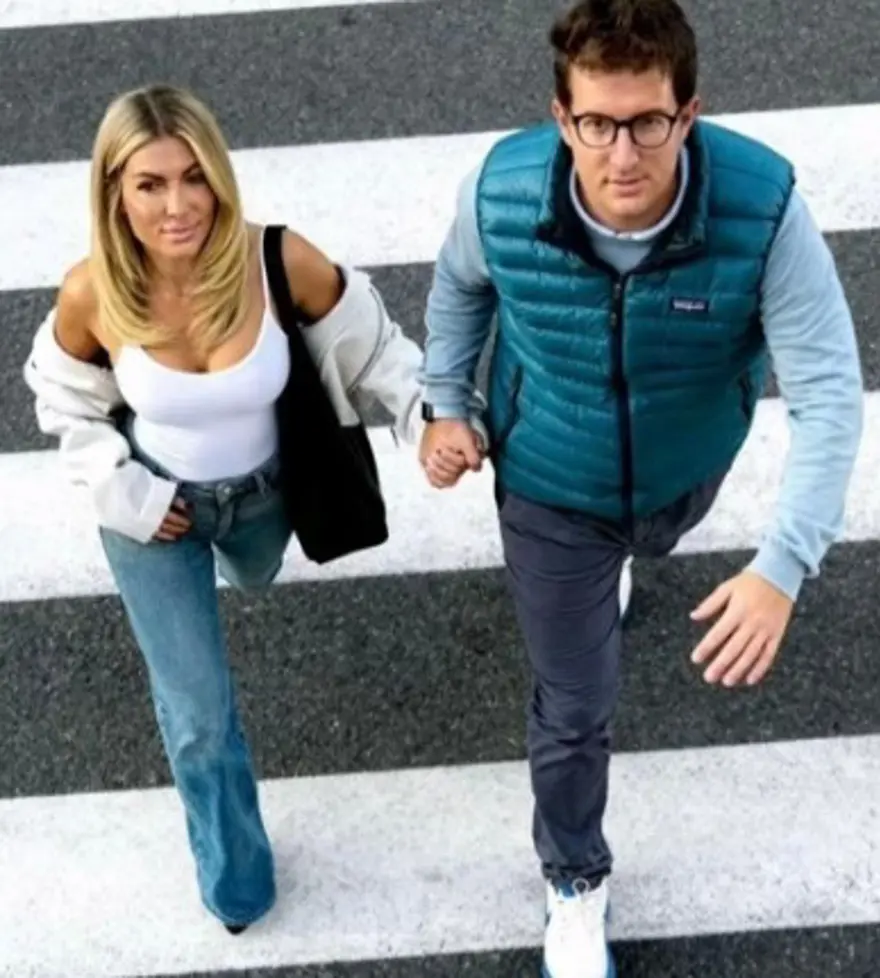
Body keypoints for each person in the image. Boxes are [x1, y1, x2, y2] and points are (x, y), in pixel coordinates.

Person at [416, 1, 864, 976]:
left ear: (688, 113)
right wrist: (445, 403)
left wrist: (782, 566)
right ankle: (574, 879)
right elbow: (459, 287)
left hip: (682, 472)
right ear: (561, 116)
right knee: (574, 706)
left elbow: (830, 392)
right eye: (596, 124)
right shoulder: (500, 193)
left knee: (647, 539)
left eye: (648, 123)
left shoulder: (763, 211)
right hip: (550, 485)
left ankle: (625, 559)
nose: (621, 156)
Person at [22, 84, 485, 935]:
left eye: (193, 177)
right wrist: (125, 492)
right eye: (150, 184)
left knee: (255, 577)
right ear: (115, 192)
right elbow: (63, 398)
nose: (177, 206)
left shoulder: (278, 260)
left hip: (265, 499)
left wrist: (429, 424)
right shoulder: (94, 292)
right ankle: (237, 883)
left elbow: (378, 353)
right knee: (198, 714)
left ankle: (242, 563)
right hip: (154, 515)